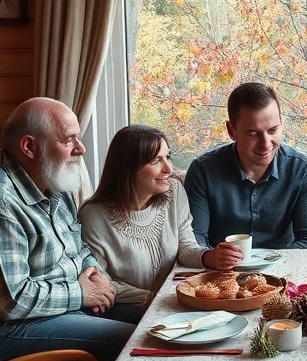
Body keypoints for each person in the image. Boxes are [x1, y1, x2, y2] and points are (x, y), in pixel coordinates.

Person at [0, 97, 142, 361]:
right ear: (29, 147)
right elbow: (12, 302)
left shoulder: (53, 179)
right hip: (3, 333)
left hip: (57, 307)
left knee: (154, 320)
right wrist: (82, 292)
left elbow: (78, 247)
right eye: (69, 140)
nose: (80, 149)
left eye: (78, 138)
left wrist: (93, 271)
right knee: (131, 341)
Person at [79, 125, 238, 305]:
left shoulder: (174, 191)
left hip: (171, 300)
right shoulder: (93, 215)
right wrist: (154, 299)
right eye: (156, 161)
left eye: (167, 157)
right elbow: (100, 282)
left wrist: (210, 257)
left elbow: (185, 246)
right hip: (126, 307)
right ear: (128, 167)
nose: (168, 168)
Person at [185, 82, 307, 255]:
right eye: (253, 133)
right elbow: (194, 238)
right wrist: (209, 257)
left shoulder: (304, 170)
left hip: (283, 269)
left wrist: (267, 264)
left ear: (282, 123)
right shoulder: (202, 171)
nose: (266, 144)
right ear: (231, 131)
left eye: (273, 130)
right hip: (219, 271)